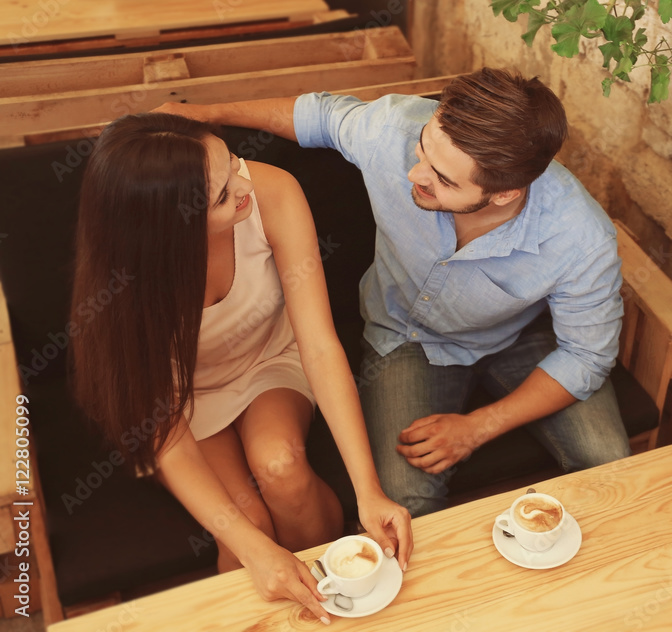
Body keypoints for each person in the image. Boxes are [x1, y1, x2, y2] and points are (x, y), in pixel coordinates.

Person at [155, 67, 631, 518]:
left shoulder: (581, 238)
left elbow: (586, 356)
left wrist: (478, 427)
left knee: (612, 463)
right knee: (405, 502)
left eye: (442, 180)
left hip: (522, 341)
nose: (414, 174)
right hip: (403, 339)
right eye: (424, 150)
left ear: (505, 193)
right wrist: (207, 114)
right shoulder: (394, 130)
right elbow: (316, 116)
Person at [70, 112, 411, 624]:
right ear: (169, 226)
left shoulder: (271, 191)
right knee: (244, 527)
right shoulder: (122, 280)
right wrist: (252, 550)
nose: (243, 184)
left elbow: (319, 345)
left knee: (281, 466)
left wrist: (370, 491)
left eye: (232, 162)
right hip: (181, 401)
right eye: (223, 194)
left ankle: (335, 600)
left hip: (269, 361)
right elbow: (162, 428)